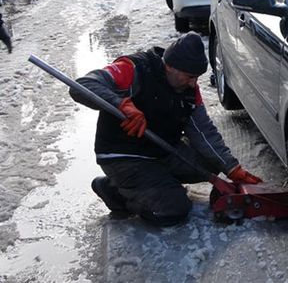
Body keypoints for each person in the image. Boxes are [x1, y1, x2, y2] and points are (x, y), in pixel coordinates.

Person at [70, 33, 262, 226]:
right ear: (170, 66)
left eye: (196, 77)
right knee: (173, 209)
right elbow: (83, 86)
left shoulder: (188, 91)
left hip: (161, 151)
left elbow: (204, 132)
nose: (194, 84)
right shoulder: (134, 69)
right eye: (190, 77)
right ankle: (115, 192)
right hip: (124, 157)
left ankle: (152, 183)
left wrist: (231, 168)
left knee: (212, 162)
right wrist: (121, 104)